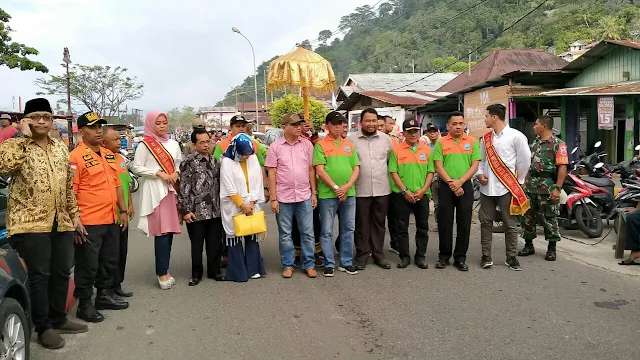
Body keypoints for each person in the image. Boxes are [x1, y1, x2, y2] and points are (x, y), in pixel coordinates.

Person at [0, 98, 87, 349]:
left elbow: (67, 186)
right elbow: (4, 167)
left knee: (61, 271)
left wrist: (75, 215)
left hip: (61, 221)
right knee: (40, 275)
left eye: (45, 117)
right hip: (30, 223)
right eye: (35, 117)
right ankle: (43, 326)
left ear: (51, 120)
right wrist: (22, 136)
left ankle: (58, 317)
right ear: (25, 120)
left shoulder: (59, 147)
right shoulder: (14, 145)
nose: (41, 121)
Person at [70, 111, 129, 323]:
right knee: (87, 264)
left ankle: (103, 296)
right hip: (89, 222)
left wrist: (123, 210)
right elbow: (71, 192)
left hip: (111, 218)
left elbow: (116, 184)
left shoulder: (107, 154)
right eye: (92, 127)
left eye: (99, 127)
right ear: (81, 131)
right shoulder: (75, 157)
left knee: (109, 260)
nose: (97, 130)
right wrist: (75, 221)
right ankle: (84, 304)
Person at [131, 111, 183, 289]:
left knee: (169, 232)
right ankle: (162, 273)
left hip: (170, 191)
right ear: (151, 124)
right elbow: (136, 167)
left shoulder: (174, 144)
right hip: (155, 192)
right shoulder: (145, 145)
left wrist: (176, 173)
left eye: (164, 122)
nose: (162, 126)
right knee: (161, 232)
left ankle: (165, 269)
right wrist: (157, 173)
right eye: (158, 123)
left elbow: (178, 163)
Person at [476, 104, 531, 271]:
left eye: (486, 116)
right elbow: (481, 161)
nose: (484, 119)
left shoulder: (516, 136)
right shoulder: (486, 139)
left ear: (494, 117)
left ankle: (511, 257)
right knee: (485, 222)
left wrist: (518, 181)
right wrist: (479, 174)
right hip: (487, 188)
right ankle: (486, 256)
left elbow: (524, 159)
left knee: (510, 223)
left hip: (507, 187)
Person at [266, 113, 318, 278]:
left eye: (299, 124)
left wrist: (313, 192)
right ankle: (287, 264)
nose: (298, 127)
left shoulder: (307, 145)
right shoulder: (275, 147)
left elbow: (311, 169)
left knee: (308, 232)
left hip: (304, 195)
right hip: (283, 197)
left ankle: (309, 264)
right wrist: (273, 199)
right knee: (285, 233)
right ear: (284, 127)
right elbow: (272, 174)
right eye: (294, 125)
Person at [432, 112, 481, 271]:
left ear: (464, 124)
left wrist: (460, 182)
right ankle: (444, 257)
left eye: (461, 123)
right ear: (448, 126)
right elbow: (438, 165)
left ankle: (460, 258)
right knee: (445, 222)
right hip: (446, 185)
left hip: (465, 185)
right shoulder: (441, 142)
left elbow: (474, 165)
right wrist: (452, 183)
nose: (458, 126)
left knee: (464, 223)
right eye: (454, 123)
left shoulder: (472, 142)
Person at [314, 111, 360, 277]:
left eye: (341, 124)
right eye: (335, 124)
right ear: (327, 126)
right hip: (328, 195)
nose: (339, 127)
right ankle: (329, 263)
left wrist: (346, 187)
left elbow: (356, 168)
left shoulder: (349, 145)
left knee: (348, 228)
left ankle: (346, 262)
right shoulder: (320, 145)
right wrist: (335, 187)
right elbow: (320, 170)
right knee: (326, 230)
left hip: (349, 193)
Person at [347, 108, 393, 270]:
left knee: (379, 224)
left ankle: (379, 254)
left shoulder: (386, 139)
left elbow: (388, 161)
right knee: (362, 224)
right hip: (360, 190)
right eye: (368, 121)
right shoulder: (351, 140)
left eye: (374, 121)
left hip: (382, 189)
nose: (371, 124)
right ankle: (362, 255)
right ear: (361, 122)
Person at [519, 115, 568, 261]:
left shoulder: (558, 144)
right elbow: (528, 164)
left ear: (544, 126)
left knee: (550, 217)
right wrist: (523, 182)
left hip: (547, 185)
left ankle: (551, 249)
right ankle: (528, 245)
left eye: (536, 124)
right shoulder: (534, 143)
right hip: (530, 185)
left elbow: (562, 167)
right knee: (527, 216)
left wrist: (557, 188)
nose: (534, 127)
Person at [179, 128, 224, 285]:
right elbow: (184, 187)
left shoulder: (215, 161)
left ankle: (214, 271)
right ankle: (196, 274)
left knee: (214, 244)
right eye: (202, 142)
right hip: (196, 211)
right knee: (197, 246)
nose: (206, 145)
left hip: (215, 210)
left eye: (208, 141)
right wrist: (185, 210)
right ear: (194, 144)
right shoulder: (188, 162)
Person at [219, 133, 267, 282]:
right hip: (234, 205)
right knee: (234, 237)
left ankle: (253, 269)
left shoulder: (252, 158)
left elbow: (257, 181)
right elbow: (228, 186)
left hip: (251, 203)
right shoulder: (227, 162)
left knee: (252, 233)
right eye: (244, 154)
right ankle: (238, 272)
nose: (246, 156)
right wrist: (241, 205)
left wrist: (252, 203)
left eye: (249, 153)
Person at [389, 119, 434, 269]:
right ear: (404, 133)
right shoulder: (396, 150)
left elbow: (430, 172)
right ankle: (404, 256)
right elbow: (393, 172)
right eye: (410, 131)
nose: (413, 134)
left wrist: (422, 190)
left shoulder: (427, 150)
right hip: (401, 195)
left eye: (415, 131)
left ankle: (420, 256)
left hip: (422, 194)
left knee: (422, 227)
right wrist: (405, 191)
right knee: (401, 227)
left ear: (419, 132)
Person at [102, 126, 135, 296]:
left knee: (122, 251)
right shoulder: (102, 159)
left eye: (119, 138)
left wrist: (130, 204)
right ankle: (107, 288)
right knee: (110, 254)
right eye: (114, 139)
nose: (119, 141)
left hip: (123, 213)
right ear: (103, 142)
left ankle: (117, 285)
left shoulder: (120, 159)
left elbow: (125, 182)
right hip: (110, 214)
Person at [380, 115, 400, 253]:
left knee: (394, 216)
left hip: (392, 184)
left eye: (393, 124)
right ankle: (374, 246)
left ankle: (395, 243)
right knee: (377, 218)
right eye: (389, 124)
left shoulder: (394, 141)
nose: (391, 126)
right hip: (377, 184)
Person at [423, 123, 441, 232]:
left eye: (434, 131)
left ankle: (440, 224)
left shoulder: (441, 145)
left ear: (438, 133)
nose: (432, 134)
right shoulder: (426, 148)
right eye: (430, 132)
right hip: (427, 177)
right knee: (430, 201)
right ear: (428, 134)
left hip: (438, 178)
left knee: (438, 203)